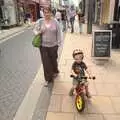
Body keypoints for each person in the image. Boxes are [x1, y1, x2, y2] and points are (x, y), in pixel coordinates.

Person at [33, 7, 62, 87]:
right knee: (46, 63)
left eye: (48, 12)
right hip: (43, 46)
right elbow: (34, 31)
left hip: (53, 46)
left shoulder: (55, 22)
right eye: (45, 12)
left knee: (53, 60)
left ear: (51, 13)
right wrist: (39, 32)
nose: (46, 14)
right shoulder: (40, 21)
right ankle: (48, 79)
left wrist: (58, 44)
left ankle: (55, 71)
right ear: (43, 13)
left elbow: (59, 33)